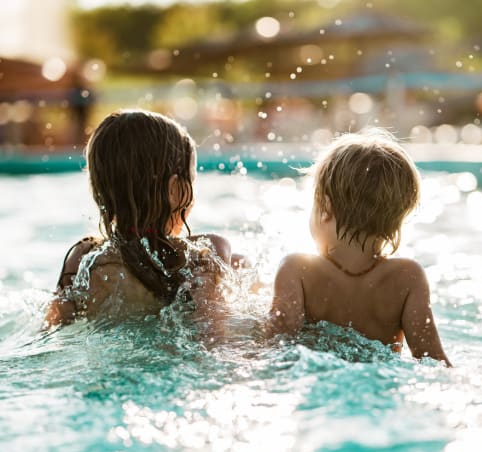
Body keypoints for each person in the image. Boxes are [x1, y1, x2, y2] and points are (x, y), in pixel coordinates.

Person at [267, 128, 451, 366]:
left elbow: (276, 350)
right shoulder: (408, 277)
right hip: (381, 388)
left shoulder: (297, 269)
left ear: (325, 208)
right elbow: (433, 361)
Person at [45, 109, 236, 327]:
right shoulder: (203, 253)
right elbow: (214, 340)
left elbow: (51, 330)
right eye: (192, 179)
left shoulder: (83, 258)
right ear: (175, 190)